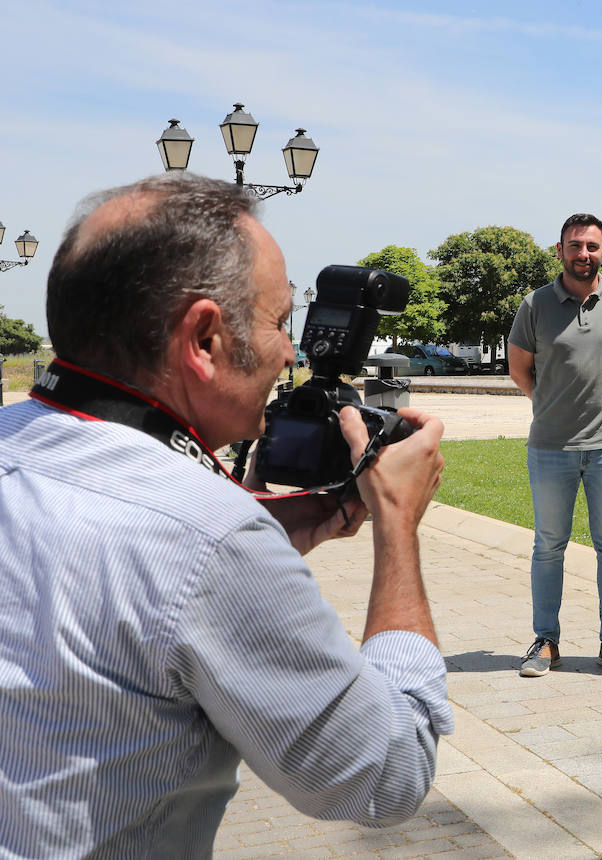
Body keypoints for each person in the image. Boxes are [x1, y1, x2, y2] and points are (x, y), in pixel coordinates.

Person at [0, 174, 453, 856]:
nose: (290, 354)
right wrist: (396, 524)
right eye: (277, 322)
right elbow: (381, 776)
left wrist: (261, 529)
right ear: (204, 338)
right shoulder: (205, 535)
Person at [507, 213, 602, 677]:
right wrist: (549, 405)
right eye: (574, 245)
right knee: (548, 546)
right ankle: (545, 641)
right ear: (560, 250)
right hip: (550, 447)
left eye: (591, 246)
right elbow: (520, 370)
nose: (583, 254)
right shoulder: (535, 305)